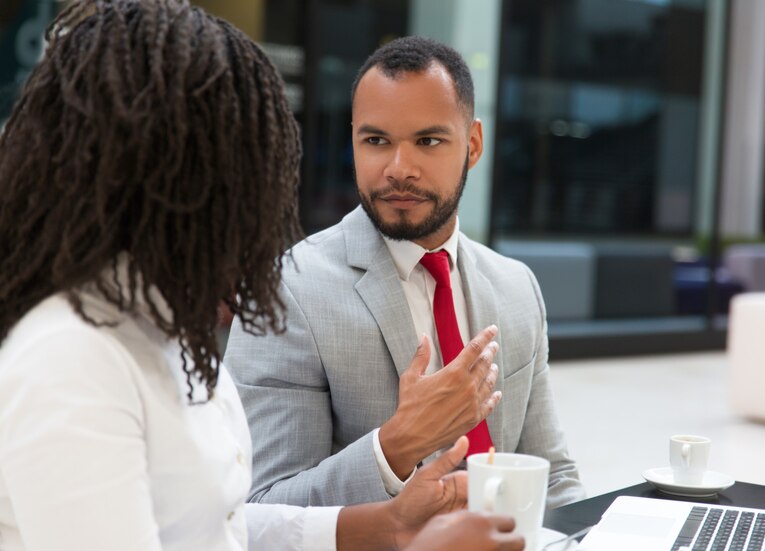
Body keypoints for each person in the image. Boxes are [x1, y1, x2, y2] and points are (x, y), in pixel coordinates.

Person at [0, 2, 524, 550]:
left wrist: (381, 528)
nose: (262, 213)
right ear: (167, 191)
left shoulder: (169, 334)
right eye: (247, 180)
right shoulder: (70, 359)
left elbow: (217, 525)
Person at [225, 36, 586, 509]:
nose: (399, 168)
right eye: (376, 141)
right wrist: (395, 447)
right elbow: (260, 510)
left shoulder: (517, 287)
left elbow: (553, 477)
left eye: (428, 141)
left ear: (473, 144)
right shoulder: (288, 288)